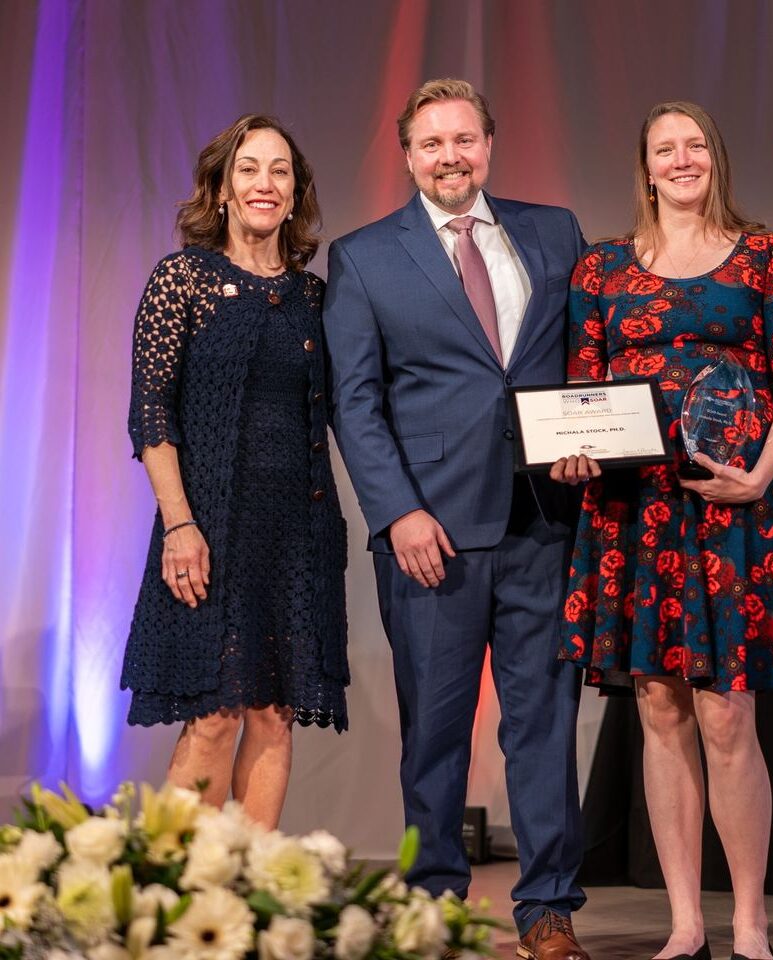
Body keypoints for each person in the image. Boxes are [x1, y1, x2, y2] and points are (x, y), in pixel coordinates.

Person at [322, 79, 590, 960]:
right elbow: (354, 403)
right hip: (430, 535)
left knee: (543, 726)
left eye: (465, 140)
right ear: (407, 156)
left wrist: (595, 442)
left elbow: (584, 364)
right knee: (434, 732)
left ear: (489, 145)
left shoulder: (553, 232)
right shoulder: (364, 257)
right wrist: (398, 512)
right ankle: (431, 909)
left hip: (545, 522)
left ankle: (548, 907)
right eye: (432, 143)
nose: (450, 156)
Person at [553, 101, 773, 960]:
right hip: (635, 513)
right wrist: (575, 454)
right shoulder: (599, 268)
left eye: (695, 144)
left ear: (716, 158)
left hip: (734, 508)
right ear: (646, 166)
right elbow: (578, 388)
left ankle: (748, 923)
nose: (682, 158)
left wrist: (765, 473)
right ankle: (686, 924)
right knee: (660, 709)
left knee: (727, 714)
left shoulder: (768, 254)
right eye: (666, 148)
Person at [122, 114, 349, 829]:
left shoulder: (315, 298)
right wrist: (179, 525)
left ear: (296, 191)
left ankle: (248, 909)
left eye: (280, 170)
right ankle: (182, 908)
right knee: (215, 718)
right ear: (220, 189)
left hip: (297, 538)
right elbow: (151, 415)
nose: (264, 183)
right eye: (249, 169)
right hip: (209, 531)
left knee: (274, 717)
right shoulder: (181, 280)